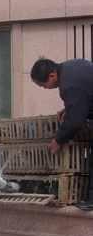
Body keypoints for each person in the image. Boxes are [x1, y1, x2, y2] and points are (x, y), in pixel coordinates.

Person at [30, 57, 93, 209]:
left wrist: (58, 139)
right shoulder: (70, 67)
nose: (44, 88)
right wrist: (69, 108)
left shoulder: (68, 85)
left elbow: (76, 120)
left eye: (43, 85)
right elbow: (84, 93)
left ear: (52, 75)